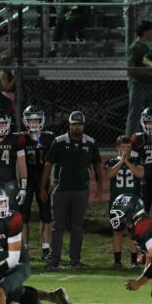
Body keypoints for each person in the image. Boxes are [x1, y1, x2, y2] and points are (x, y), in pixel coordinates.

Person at [39, 111, 103, 270]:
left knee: (77, 226)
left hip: (81, 190)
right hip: (61, 190)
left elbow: (98, 166)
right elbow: (48, 165)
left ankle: (75, 259)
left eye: (79, 124)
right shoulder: (59, 142)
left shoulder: (90, 143)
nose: (77, 127)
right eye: (74, 124)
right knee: (57, 226)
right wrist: (43, 187)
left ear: (84, 125)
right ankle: (54, 259)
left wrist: (99, 188)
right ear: (69, 125)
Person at [19, 105, 55, 259]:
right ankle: (24, 249)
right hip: (27, 180)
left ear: (42, 120)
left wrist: (51, 181)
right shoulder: (21, 138)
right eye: (31, 120)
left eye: (36, 120)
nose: (34, 123)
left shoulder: (48, 137)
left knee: (46, 215)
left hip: (43, 179)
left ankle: (46, 249)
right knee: (24, 216)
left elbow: (52, 162)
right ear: (26, 121)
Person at [106, 135, 144, 269]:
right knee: (117, 231)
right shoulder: (111, 161)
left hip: (133, 202)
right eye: (123, 147)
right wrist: (121, 162)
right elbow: (109, 175)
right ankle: (117, 261)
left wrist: (126, 162)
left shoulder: (137, 160)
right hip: (117, 202)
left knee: (133, 232)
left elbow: (140, 174)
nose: (126, 149)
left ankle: (134, 261)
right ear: (117, 148)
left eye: (128, 147)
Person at [126, 20, 152, 136]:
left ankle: (149, 137)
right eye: (151, 30)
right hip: (138, 84)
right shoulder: (134, 47)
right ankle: (130, 138)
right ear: (146, 31)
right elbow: (130, 70)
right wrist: (149, 70)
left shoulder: (145, 47)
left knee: (150, 113)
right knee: (135, 113)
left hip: (148, 84)